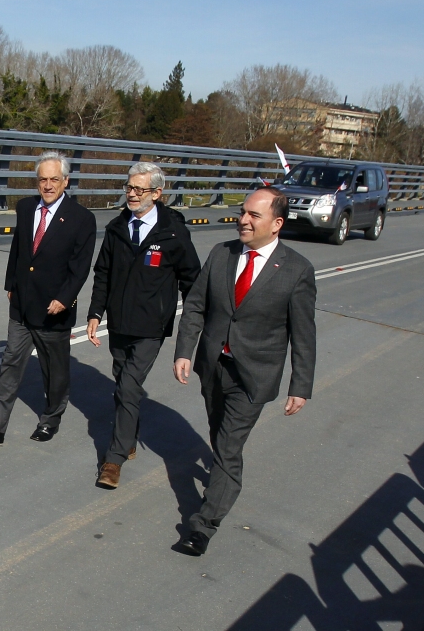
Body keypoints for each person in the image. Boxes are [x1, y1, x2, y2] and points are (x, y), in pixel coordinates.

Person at [172, 187, 317, 555]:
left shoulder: (297, 270)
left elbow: (303, 335)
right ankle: (224, 478)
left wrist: (300, 385)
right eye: (243, 212)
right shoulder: (222, 254)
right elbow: (196, 306)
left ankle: (202, 526)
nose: (243, 220)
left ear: (277, 223)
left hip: (254, 374)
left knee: (228, 446)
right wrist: (185, 350)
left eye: (254, 215)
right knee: (219, 433)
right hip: (213, 366)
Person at [0, 151, 97, 444]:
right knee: (10, 364)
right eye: (42, 180)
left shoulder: (81, 219)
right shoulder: (26, 208)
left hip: (54, 309)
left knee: (54, 371)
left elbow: (80, 267)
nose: (48, 185)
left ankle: (50, 419)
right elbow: (19, 249)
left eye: (54, 179)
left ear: (66, 181)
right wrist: (11, 284)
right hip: (23, 305)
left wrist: (65, 298)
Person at [86, 162, 201, 488]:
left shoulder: (173, 232)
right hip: (119, 322)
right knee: (124, 383)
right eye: (129, 188)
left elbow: (192, 279)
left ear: (157, 193)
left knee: (128, 387)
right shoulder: (117, 228)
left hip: (152, 326)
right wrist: (96, 313)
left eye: (139, 190)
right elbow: (103, 273)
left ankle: (114, 459)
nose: (132, 195)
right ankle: (129, 435)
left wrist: (197, 323)